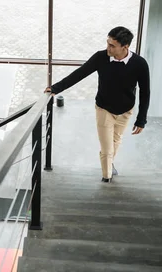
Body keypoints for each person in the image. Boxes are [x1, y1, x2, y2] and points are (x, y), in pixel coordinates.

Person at [45, 26, 150, 183]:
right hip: (104, 109)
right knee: (107, 149)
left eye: (112, 45)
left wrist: (141, 119)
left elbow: (145, 91)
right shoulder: (101, 58)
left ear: (125, 47)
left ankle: (108, 164)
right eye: (107, 43)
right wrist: (55, 88)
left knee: (116, 140)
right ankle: (107, 178)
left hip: (125, 111)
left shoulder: (140, 64)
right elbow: (79, 74)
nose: (107, 47)